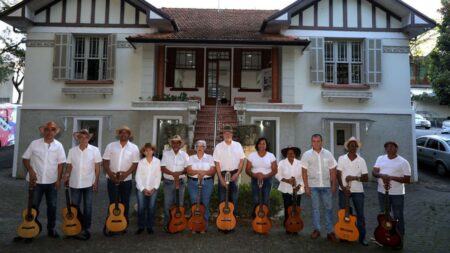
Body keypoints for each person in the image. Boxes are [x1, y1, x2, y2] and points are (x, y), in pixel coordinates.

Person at [22, 121, 66, 238]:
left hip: (52, 182)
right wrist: (30, 171)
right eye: (47, 130)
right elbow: (25, 159)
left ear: (55, 133)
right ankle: (32, 228)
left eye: (52, 130)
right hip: (36, 182)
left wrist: (58, 180)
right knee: (33, 206)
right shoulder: (34, 144)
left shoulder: (59, 146)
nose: (49, 132)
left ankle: (51, 229)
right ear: (44, 131)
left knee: (52, 206)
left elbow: (60, 164)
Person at [63, 129, 102, 240]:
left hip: (89, 182)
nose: (83, 139)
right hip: (74, 182)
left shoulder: (95, 150)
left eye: (86, 137)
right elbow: (69, 165)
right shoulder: (72, 151)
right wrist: (66, 174)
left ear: (89, 138)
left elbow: (97, 167)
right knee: (74, 207)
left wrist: (96, 181)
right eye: (81, 137)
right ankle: (75, 226)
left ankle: (86, 228)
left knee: (88, 206)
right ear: (78, 138)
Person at [372, 141, 411, 246]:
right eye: (387, 147)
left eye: (392, 146)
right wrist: (382, 175)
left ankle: (399, 240)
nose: (389, 148)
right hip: (382, 192)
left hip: (397, 193)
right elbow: (374, 173)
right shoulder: (380, 158)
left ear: (396, 148)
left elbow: (407, 179)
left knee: (398, 217)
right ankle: (384, 237)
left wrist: (391, 177)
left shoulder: (403, 162)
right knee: (384, 216)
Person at [301, 134, 337, 241]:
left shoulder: (328, 154)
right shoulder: (306, 155)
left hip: (326, 186)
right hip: (313, 186)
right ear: (311, 142)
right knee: (315, 209)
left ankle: (330, 231)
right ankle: (317, 229)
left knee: (329, 209)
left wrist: (334, 184)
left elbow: (333, 170)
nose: (316, 143)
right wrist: (306, 187)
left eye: (318, 141)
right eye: (314, 141)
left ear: (322, 142)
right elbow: (304, 171)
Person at [103, 125, 140, 226]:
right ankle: (111, 223)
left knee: (125, 202)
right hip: (112, 179)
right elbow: (105, 161)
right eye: (121, 132)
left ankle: (123, 224)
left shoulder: (134, 147)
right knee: (113, 202)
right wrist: (110, 174)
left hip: (126, 180)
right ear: (118, 134)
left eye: (126, 132)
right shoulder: (110, 146)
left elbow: (135, 163)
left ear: (129, 135)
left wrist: (125, 175)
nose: (123, 134)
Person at [336, 137, 369, 246]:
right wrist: (343, 187)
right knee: (343, 213)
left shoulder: (361, 160)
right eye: (351, 145)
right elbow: (338, 174)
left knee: (360, 214)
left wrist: (354, 178)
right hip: (343, 191)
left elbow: (365, 178)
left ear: (357, 147)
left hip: (358, 191)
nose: (353, 147)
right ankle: (344, 234)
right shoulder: (341, 158)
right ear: (347, 147)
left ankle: (362, 237)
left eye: (355, 145)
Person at [213, 125, 245, 217]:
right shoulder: (218, 147)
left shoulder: (238, 145)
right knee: (222, 199)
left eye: (229, 133)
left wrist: (237, 174)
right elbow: (217, 164)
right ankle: (222, 221)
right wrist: (221, 179)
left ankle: (232, 221)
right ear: (223, 134)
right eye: (225, 133)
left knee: (234, 199)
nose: (227, 134)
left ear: (232, 134)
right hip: (222, 174)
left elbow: (241, 161)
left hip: (235, 173)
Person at [186, 140, 216, 233]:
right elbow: (189, 171)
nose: (200, 148)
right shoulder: (191, 158)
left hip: (207, 183)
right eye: (198, 146)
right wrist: (200, 172)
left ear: (205, 148)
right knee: (194, 204)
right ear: (195, 148)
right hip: (193, 183)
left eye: (202, 146)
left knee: (205, 204)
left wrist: (203, 173)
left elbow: (212, 171)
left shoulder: (210, 158)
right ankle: (194, 225)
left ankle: (204, 226)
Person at [161, 135, 189, 230]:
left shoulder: (185, 155)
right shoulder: (166, 154)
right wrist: (173, 173)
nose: (175, 144)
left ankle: (179, 223)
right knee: (167, 204)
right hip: (168, 182)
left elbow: (187, 168)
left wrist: (179, 173)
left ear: (180, 144)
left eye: (178, 142)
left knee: (180, 204)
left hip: (180, 183)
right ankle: (167, 224)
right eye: (174, 142)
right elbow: (162, 167)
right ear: (171, 144)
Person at [135, 143, 161, 235]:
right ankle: (141, 227)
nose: (148, 152)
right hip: (141, 189)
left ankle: (150, 227)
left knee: (151, 208)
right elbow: (137, 176)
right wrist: (143, 189)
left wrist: (154, 188)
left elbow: (158, 176)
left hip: (153, 188)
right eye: (146, 150)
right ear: (144, 152)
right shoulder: (141, 162)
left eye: (150, 150)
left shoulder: (157, 162)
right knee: (141, 208)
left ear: (153, 151)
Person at [246, 137, 277, 213]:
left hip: (267, 179)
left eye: (264, 143)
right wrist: (256, 175)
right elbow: (247, 170)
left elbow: (275, 170)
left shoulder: (271, 156)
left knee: (266, 199)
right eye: (260, 143)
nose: (262, 145)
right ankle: (256, 217)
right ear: (257, 145)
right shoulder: (251, 155)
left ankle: (265, 217)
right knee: (256, 199)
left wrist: (264, 176)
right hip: (255, 179)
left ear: (266, 145)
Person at [275, 146, 304, 225]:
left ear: (295, 154)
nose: (291, 154)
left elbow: (304, 176)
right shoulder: (281, 163)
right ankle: (288, 225)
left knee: (296, 208)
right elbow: (277, 175)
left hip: (298, 189)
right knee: (287, 207)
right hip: (285, 188)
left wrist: (299, 186)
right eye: (289, 153)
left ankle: (296, 225)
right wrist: (287, 180)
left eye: (292, 153)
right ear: (286, 154)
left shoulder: (300, 163)